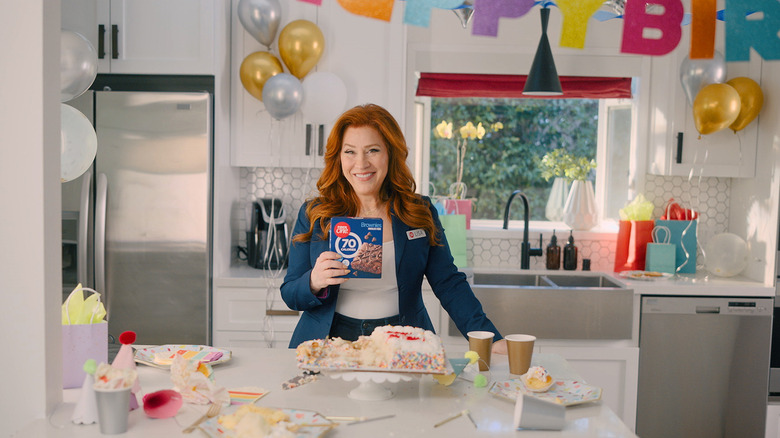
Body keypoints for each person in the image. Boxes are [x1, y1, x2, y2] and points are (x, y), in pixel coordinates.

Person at [281, 104, 507, 354]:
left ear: (390, 153)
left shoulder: (418, 211)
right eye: (350, 152)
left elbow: (449, 283)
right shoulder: (314, 214)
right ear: (339, 157)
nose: (361, 163)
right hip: (328, 342)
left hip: (402, 342)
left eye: (373, 150)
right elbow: (291, 293)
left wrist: (490, 339)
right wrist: (313, 281)